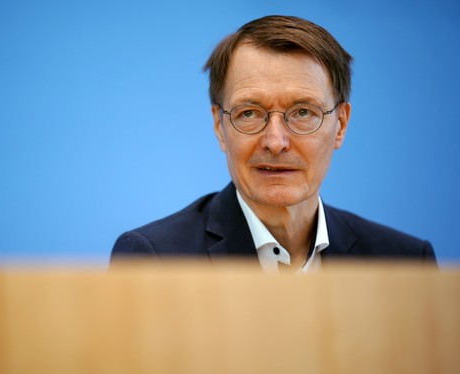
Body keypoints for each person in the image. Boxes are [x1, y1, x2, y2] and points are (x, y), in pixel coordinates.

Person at [110, 15, 436, 272]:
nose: (276, 142)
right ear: (219, 126)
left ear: (341, 125)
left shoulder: (404, 261)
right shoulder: (155, 259)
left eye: (303, 112)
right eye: (249, 112)